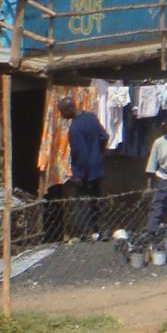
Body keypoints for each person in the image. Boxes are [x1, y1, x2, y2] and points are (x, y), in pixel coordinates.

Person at [59, 98, 106, 238]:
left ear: (69, 110)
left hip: (85, 172)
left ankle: (86, 233)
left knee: (83, 204)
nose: (62, 116)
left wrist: (79, 175)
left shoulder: (75, 129)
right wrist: (98, 154)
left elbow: (81, 153)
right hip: (98, 168)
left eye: (63, 112)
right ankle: (100, 231)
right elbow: (104, 136)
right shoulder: (91, 117)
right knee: (96, 201)